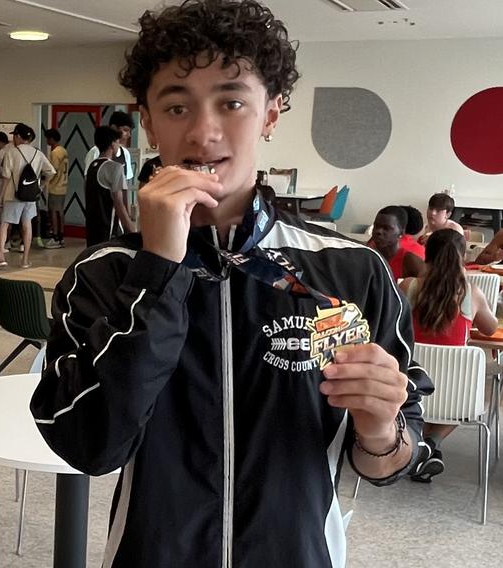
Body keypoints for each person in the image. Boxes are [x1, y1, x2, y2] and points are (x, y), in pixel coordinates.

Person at [29, 2, 430, 566]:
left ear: (271, 114)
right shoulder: (107, 271)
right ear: (147, 120)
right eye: (176, 105)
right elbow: (91, 445)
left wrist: (382, 429)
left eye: (233, 101)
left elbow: (393, 460)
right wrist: (160, 268)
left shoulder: (349, 269)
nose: (203, 131)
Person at [400, 229, 497, 482]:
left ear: (427, 254)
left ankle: (422, 448)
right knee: (462, 393)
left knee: (432, 393)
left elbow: (394, 325)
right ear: (462, 257)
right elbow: (489, 327)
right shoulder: (471, 293)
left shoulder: (408, 286)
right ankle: (430, 444)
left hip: (411, 390)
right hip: (456, 396)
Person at [0, 123, 55, 269]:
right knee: (27, 225)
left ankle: (0, 256)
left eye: (14, 135)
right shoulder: (38, 153)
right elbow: (51, 171)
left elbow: (6, 177)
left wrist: (0, 198)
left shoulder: (12, 153)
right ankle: (25, 260)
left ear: (18, 136)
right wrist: (41, 186)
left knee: (4, 224)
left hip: (13, 195)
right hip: (30, 196)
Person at [84, 125, 136, 246]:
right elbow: (119, 203)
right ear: (113, 144)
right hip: (109, 230)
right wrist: (131, 231)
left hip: (92, 227)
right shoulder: (114, 168)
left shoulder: (92, 166)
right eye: (118, 142)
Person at [369, 206, 426, 279]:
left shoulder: (410, 261)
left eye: (386, 228)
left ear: (401, 232)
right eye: (376, 226)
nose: (378, 231)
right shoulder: (366, 254)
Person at [84, 110, 135, 187]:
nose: (128, 135)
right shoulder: (96, 151)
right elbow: (88, 179)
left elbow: (126, 182)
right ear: (114, 127)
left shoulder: (125, 153)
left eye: (130, 131)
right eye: (125, 130)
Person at [44, 128, 68, 248]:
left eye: (47, 138)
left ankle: (55, 236)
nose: (47, 141)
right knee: (60, 211)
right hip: (63, 185)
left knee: (53, 211)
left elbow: (53, 170)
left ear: (51, 139)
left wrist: (44, 182)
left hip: (55, 186)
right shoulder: (63, 150)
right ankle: (61, 236)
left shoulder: (55, 152)